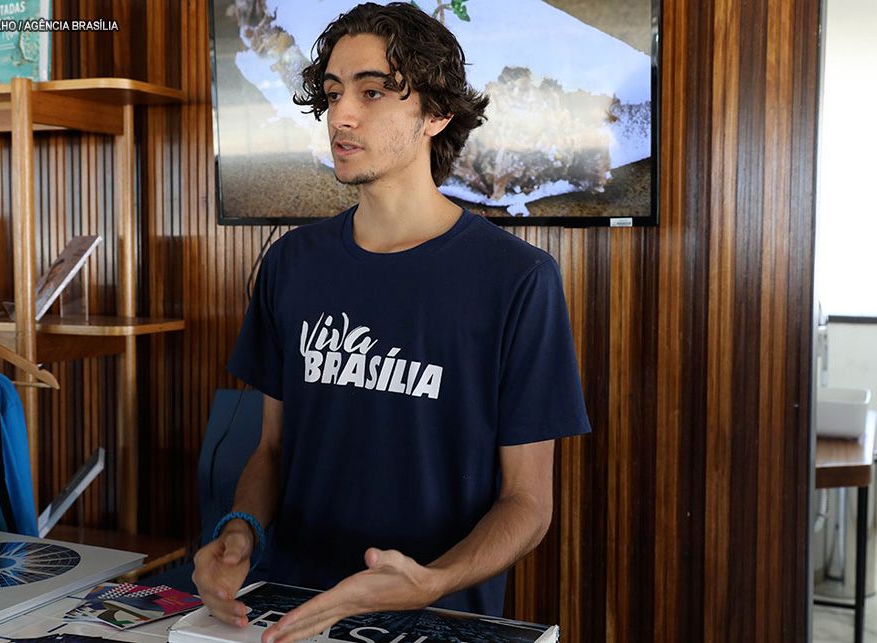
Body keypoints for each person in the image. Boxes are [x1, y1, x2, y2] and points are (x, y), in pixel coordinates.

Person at [192, 3, 590, 642]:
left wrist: (432, 579)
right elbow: (272, 450)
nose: (341, 115)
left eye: (372, 92)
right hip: (292, 613)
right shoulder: (292, 264)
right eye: (332, 94)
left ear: (436, 114)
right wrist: (240, 530)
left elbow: (528, 504)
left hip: (438, 620)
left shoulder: (518, 280)